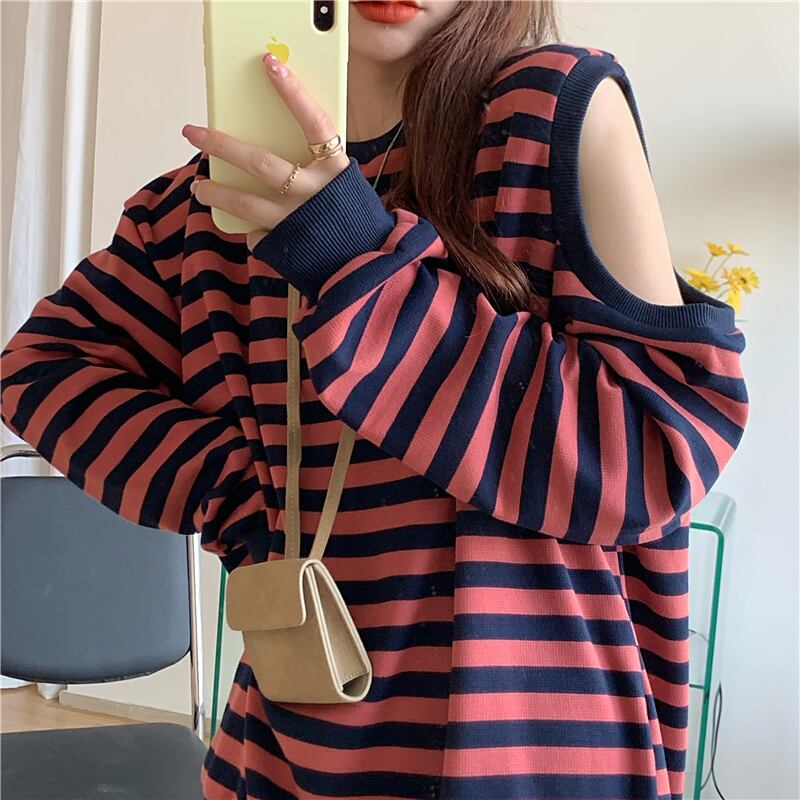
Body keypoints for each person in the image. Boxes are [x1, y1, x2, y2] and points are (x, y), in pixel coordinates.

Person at [0, 1, 749, 798]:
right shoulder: (215, 202)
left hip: (534, 748)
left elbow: (654, 456)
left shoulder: (551, 111)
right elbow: (43, 368)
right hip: (296, 743)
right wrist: (248, 500)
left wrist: (352, 255)